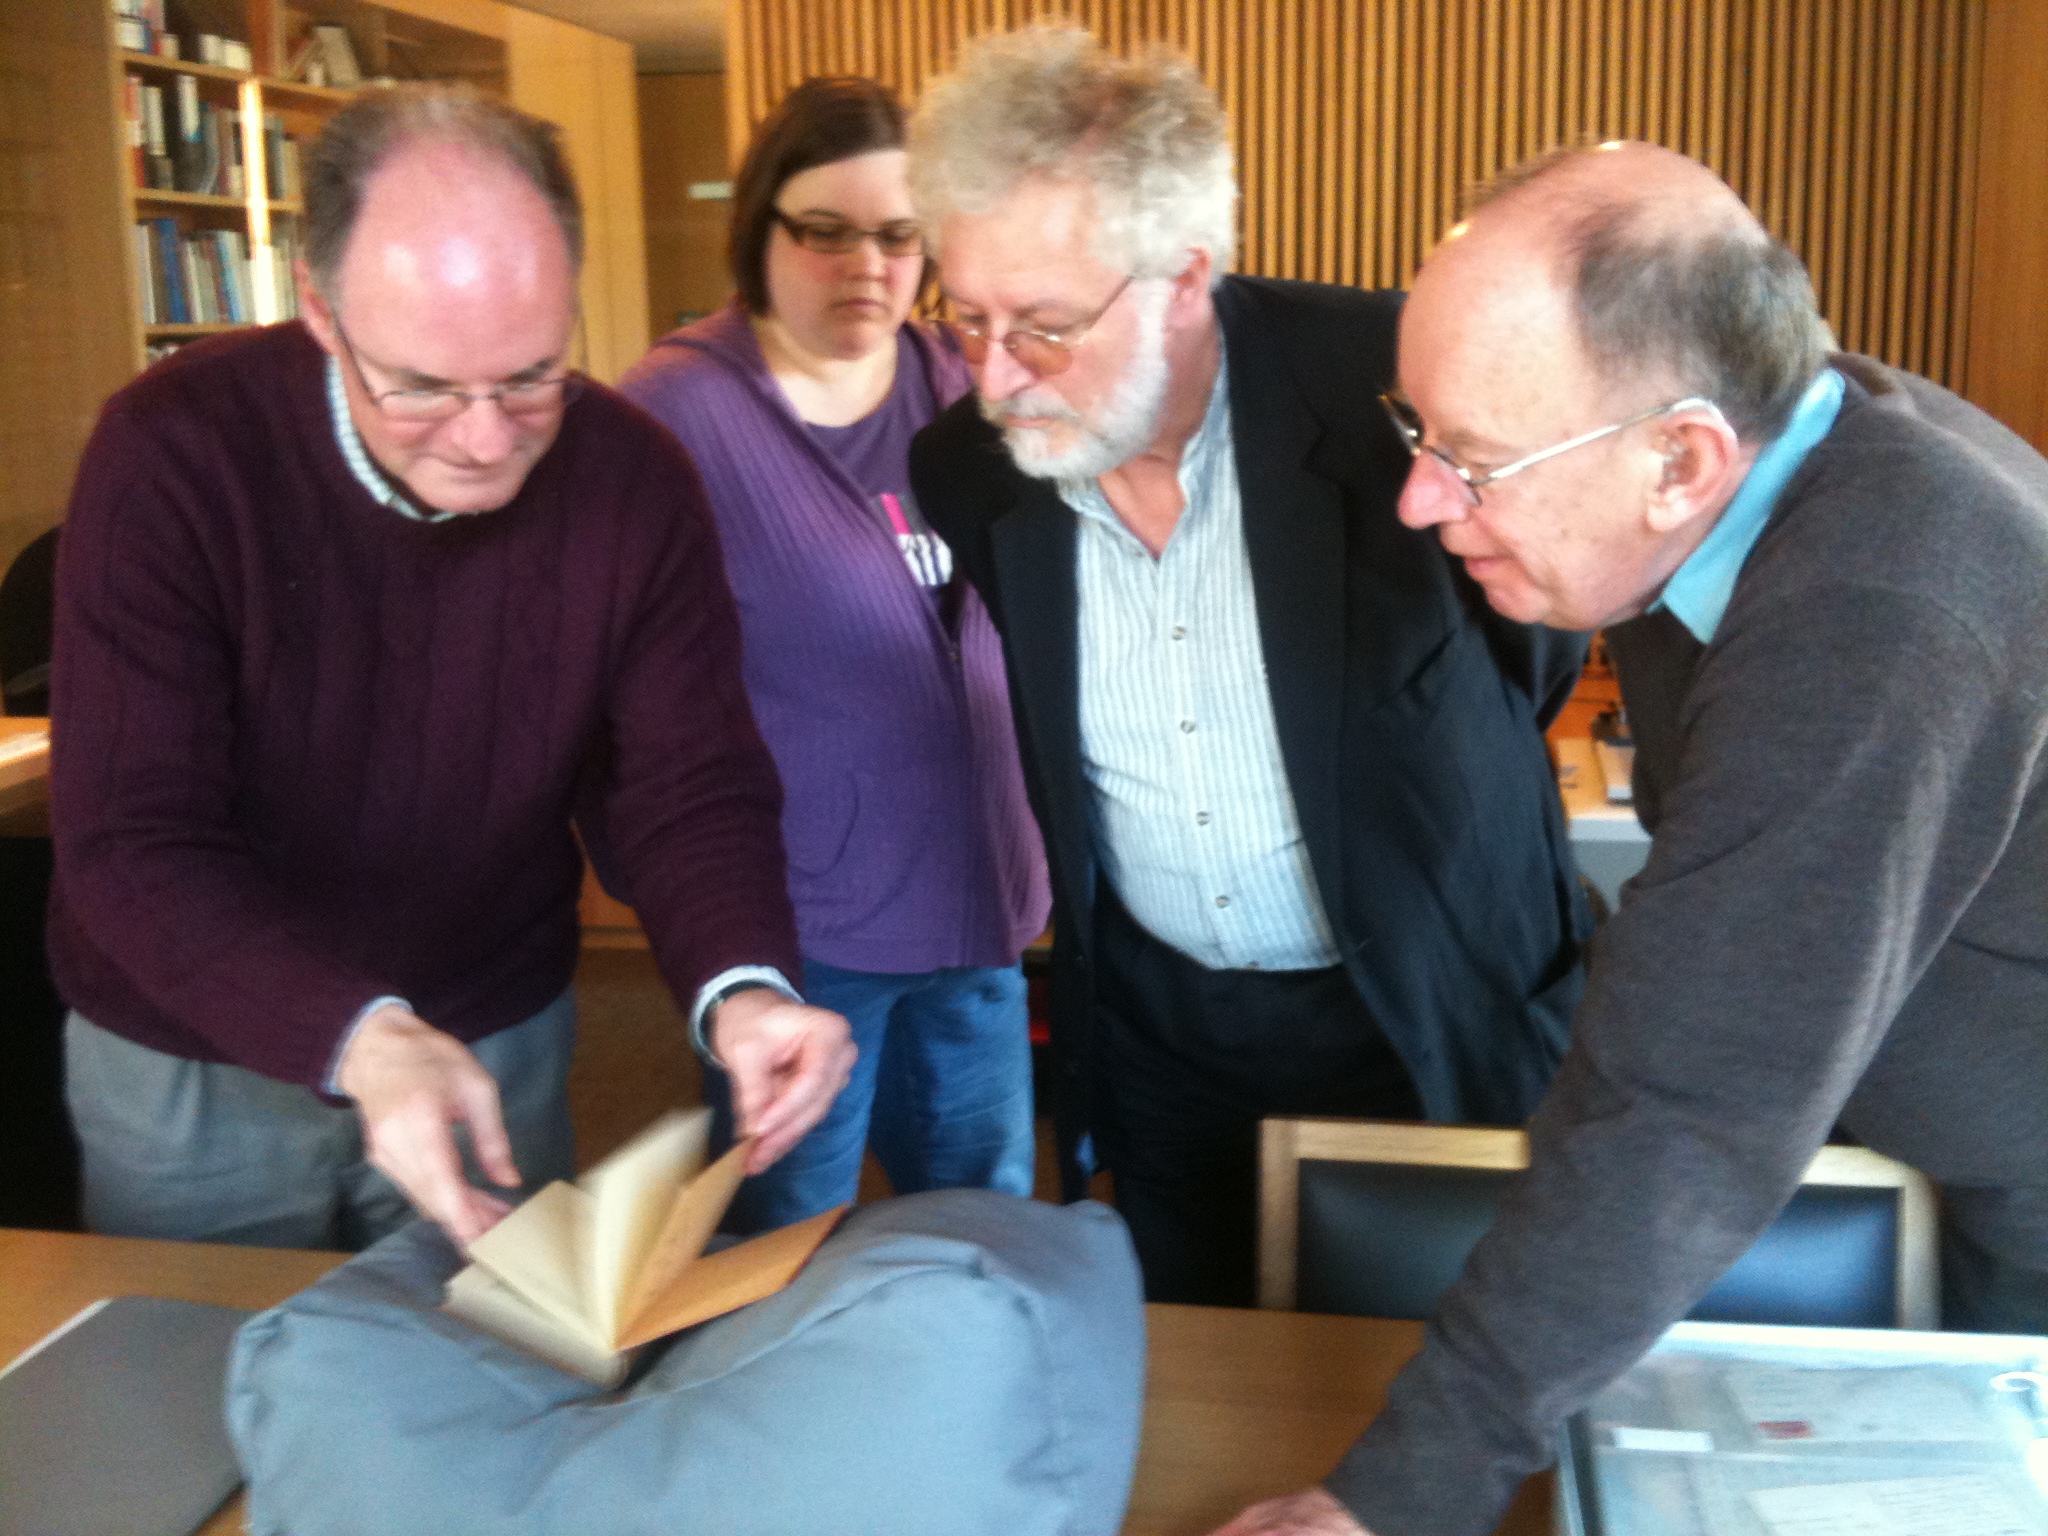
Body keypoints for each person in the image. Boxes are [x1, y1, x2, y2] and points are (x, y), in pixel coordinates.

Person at [1216, 143, 2048, 1536]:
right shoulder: (1777, 468)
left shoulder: (1878, 610)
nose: (1421, 503)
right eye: (1416, 437)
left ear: (1682, 458)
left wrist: (1391, 1499)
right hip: (1893, 1135)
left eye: (1471, 460)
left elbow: (1688, 1111)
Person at [49, 85, 855, 1253]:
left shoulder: (635, 480)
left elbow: (687, 788)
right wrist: (361, 1038)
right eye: (421, 387)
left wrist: (745, 988)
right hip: (193, 1056)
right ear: (321, 311)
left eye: (531, 375)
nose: (484, 438)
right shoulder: (171, 453)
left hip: (489, 1021)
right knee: (190, 1386)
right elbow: (130, 839)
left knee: (490, 1381)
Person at [905, 28, 1592, 1307]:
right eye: (966, 319)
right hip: (1166, 1038)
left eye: (1046, 326)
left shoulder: (1401, 391)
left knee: (1442, 1386)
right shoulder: (967, 471)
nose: (997, 378)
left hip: (1423, 1008)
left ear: (1183, 277)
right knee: (1203, 1386)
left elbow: (1535, 647)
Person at [617, 77, 1050, 1231]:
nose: (867, 262)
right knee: (780, 1243)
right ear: (759, 229)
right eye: (826, 231)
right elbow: (629, 694)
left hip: (979, 904)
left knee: (978, 1230)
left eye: (899, 236)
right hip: (810, 932)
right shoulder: (672, 415)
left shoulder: (961, 386)